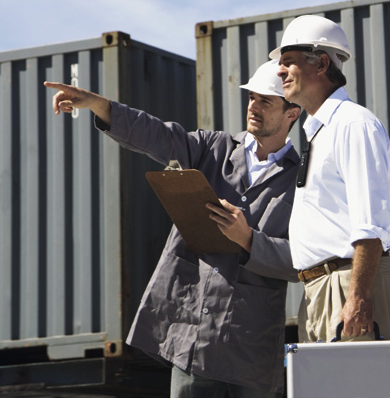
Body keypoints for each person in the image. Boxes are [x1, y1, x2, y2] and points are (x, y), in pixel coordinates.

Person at [44, 60, 301, 398]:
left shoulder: (302, 179)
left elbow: (303, 261)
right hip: (192, 341)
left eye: (265, 100)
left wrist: (249, 240)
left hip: (250, 349)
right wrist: (99, 105)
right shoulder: (212, 148)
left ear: (292, 114)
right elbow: (156, 135)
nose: (253, 107)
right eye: (251, 97)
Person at [269, 15, 390, 342]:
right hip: (322, 288)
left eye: (288, 62)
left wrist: (357, 296)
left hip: (346, 285)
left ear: (322, 63)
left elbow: (371, 222)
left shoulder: (354, 124)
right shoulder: (319, 132)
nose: (279, 71)